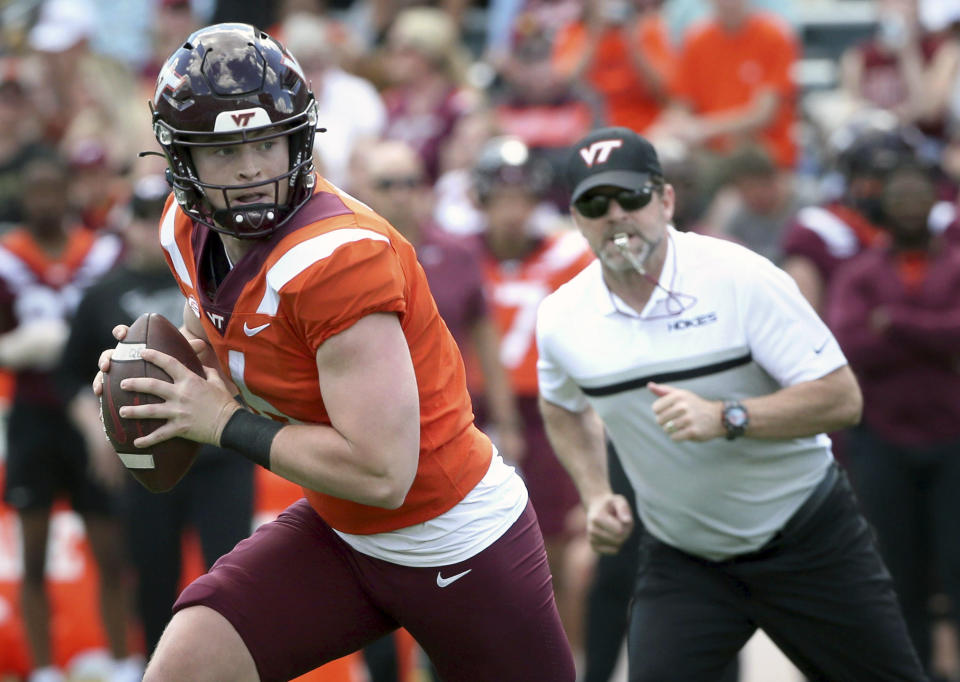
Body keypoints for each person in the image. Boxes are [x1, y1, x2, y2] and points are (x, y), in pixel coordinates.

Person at [93, 24, 575, 682]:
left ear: (296, 137)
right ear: (184, 161)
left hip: (453, 537)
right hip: (341, 530)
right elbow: (213, 338)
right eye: (224, 150)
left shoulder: (337, 258)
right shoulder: (186, 230)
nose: (251, 170)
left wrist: (221, 421)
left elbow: (384, 473)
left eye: (265, 142)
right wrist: (159, 381)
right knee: (186, 665)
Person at [535, 125, 926, 681]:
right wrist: (596, 494)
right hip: (683, 558)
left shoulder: (740, 277)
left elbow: (841, 398)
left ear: (666, 199)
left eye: (632, 196)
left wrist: (727, 417)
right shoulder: (561, 317)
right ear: (576, 219)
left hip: (809, 537)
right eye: (594, 203)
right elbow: (560, 405)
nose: (616, 214)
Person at [60, 174, 255, 659]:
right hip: (148, 453)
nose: (151, 228)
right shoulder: (103, 293)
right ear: (127, 224)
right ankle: (154, 666)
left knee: (232, 577)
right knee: (152, 577)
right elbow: (70, 374)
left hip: (220, 450)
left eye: (161, 217)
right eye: (143, 217)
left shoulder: (216, 282)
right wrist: (98, 433)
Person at [0, 156, 136, 682]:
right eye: (36, 192)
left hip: (92, 410)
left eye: (54, 190)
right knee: (32, 551)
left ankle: (123, 658)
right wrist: (16, 348)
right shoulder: (9, 258)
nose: (45, 203)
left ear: (69, 193)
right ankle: (43, 669)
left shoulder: (100, 255)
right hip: (34, 414)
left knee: (108, 544)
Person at [828, 160, 960, 675]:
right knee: (897, 572)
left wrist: (896, 324)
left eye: (917, 196)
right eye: (899, 197)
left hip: (953, 438)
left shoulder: (954, 262)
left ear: (934, 203)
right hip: (882, 441)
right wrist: (938, 342)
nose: (909, 206)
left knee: (956, 565)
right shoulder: (858, 272)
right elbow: (850, 342)